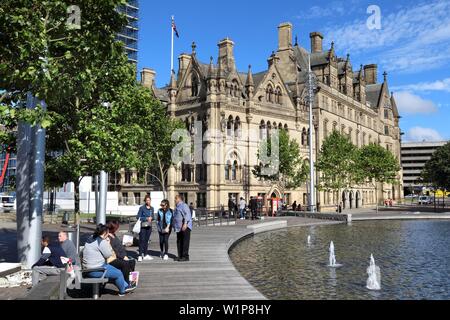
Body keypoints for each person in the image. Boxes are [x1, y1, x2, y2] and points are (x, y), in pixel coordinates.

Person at [82, 224, 135, 297]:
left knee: (115, 270)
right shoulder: (101, 242)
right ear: (104, 233)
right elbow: (108, 255)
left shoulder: (91, 238)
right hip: (95, 270)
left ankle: (126, 286)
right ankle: (122, 292)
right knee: (118, 273)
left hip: (89, 267)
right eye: (107, 233)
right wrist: (107, 243)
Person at [173, 194, 192, 262]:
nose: (174, 200)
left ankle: (185, 256)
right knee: (179, 241)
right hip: (179, 228)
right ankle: (180, 255)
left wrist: (185, 223)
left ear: (179, 199)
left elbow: (187, 214)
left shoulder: (184, 205)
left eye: (176, 198)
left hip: (185, 227)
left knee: (185, 241)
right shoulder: (177, 206)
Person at [136, 195, 155, 262]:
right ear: (145, 201)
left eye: (149, 200)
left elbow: (153, 217)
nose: (148, 201)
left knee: (146, 241)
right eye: (147, 200)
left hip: (149, 226)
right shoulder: (142, 208)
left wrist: (151, 218)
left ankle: (146, 254)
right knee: (142, 240)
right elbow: (138, 217)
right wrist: (146, 218)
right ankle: (140, 255)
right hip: (143, 226)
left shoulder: (152, 208)